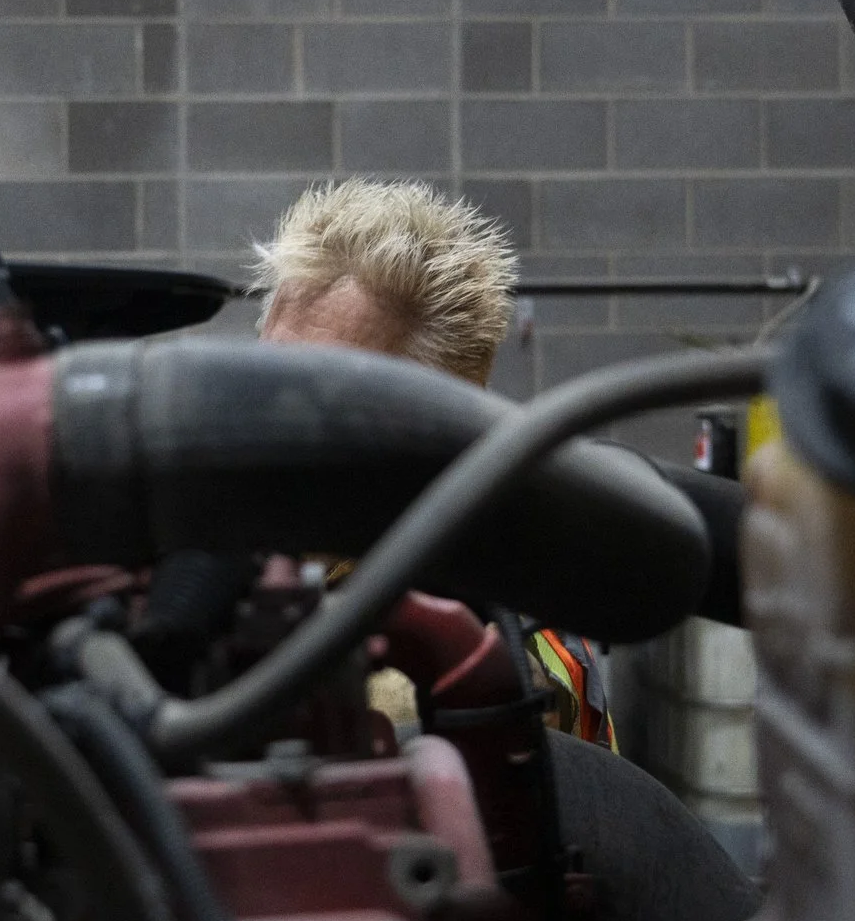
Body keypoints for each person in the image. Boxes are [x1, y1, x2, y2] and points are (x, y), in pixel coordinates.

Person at [250, 178, 618, 749]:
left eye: (328, 403)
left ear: (437, 441)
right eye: (266, 379)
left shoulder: (489, 662)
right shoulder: (214, 553)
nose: (275, 426)